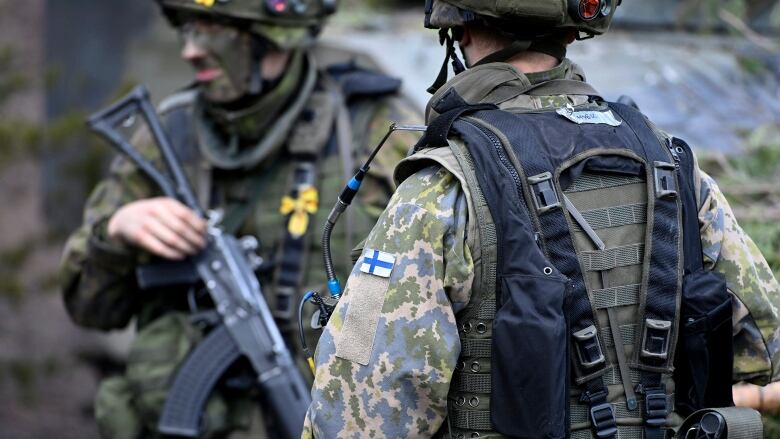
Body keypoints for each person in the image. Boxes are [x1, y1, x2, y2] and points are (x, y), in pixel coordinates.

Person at [304, 1, 780, 438]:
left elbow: (358, 417)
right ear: (573, 32)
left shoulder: (444, 188)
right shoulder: (672, 166)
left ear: (461, 27)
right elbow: (763, 346)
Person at [59, 0, 420, 437]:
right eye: (188, 28)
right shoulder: (170, 136)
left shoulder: (375, 132)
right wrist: (117, 231)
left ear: (273, 33)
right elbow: (89, 307)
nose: (191, 50)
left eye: (213, 28)